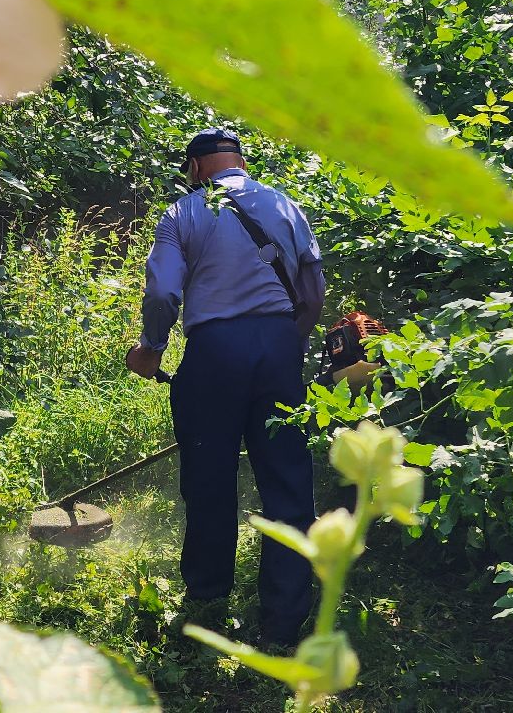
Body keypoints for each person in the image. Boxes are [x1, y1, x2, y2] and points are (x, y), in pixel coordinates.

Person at [126, 128, 325, 647]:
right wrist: (288, 345)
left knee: (209, 478)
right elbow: (312, 287)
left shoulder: (183, 213)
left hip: (214, 353)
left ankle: (209, 600)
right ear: (239, 161)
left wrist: (150, 349)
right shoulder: (284, 204)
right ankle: (283, 621)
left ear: (194, 167)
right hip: (280, 347)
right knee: (287, 483)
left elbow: (165, 290)